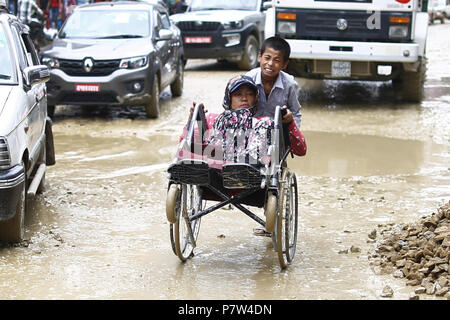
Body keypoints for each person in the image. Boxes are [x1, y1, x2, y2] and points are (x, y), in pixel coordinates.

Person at [246, 36, 302, 129]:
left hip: (277, 133)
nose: (270, 63)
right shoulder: (248, 79)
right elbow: (234, 108)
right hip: (251, 131)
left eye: (277, 60)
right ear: (260, 57)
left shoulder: (290, 84)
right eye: (267, 58)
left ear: (284, 64)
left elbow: (296, 113)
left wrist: (290, 119)